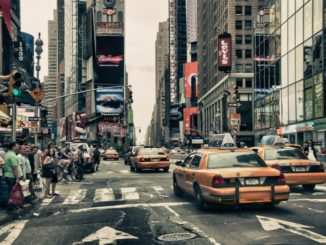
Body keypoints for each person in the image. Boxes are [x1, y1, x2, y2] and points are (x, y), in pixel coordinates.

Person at [3, 142, 23, 210]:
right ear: (13, 147)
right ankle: (11, 206)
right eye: (17, 146)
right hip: (12, 176)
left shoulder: (8, 154)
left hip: (8, 176)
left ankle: (12, 205)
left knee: (11, 191)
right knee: (12, 192)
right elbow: (15, 168)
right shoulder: (12, 156)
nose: (18, 147)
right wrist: (17, 178)